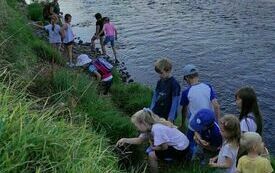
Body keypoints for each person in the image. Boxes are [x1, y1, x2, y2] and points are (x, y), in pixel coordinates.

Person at [116, 108, 191, 173]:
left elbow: (165, 147)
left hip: (181, 148)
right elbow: (139, 140)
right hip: (183, 143)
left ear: (143, 123)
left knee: (151, 155)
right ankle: (167, 162)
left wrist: (154, 148)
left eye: (136, 126)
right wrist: (125, 140)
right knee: (152, 150)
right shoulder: (149, 127)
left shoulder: (156, 129)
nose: (136, 129)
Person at [180, 64, 221, 153]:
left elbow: (184, 110)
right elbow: (216, 106)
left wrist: (183, 123)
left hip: (195, 123)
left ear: (187, 78)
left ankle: (189, 159)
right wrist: (217, 122)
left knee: (189, 143)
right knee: (209, 142)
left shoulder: (186, 92)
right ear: (197, 75)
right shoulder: (208, 87)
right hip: (208, 121)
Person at [150, 58, 181, 123]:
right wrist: (151, 109)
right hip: (158, 110)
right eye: (158, 73)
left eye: (161, 73)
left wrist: (171, 117)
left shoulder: (174, 84)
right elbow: (155, 96)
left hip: (167, 114)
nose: (159, 76)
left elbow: (175, 102)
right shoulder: (160, 81)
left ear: (168, 70)